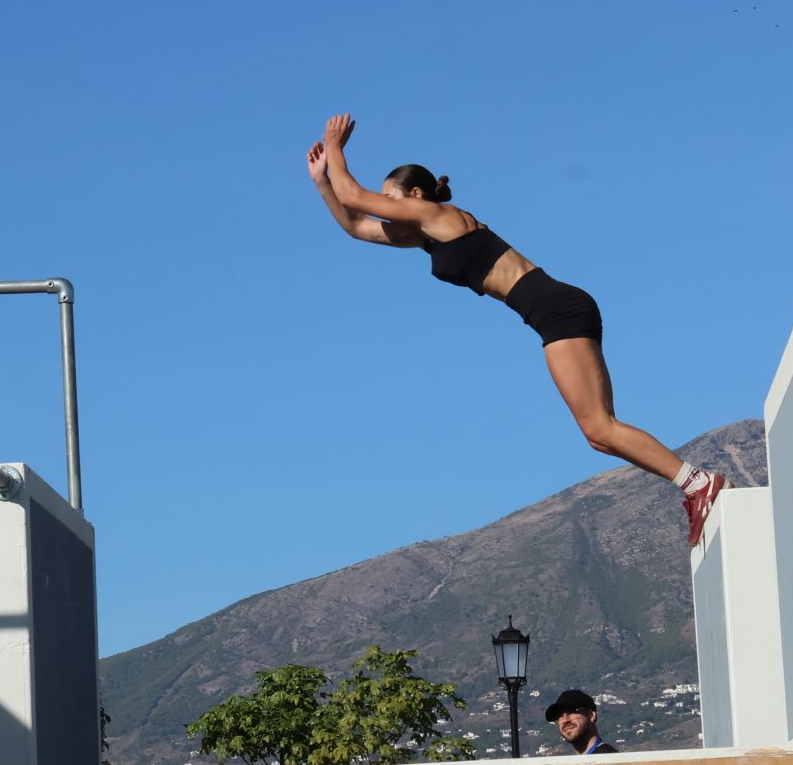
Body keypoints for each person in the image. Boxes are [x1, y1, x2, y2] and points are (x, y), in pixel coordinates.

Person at [306, 112, 728, 546]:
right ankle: (696, 484)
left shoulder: (437, 215)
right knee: (599, 436)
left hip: (556, 308)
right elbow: (356, 226)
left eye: (390, 201)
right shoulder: (425, 236)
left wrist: (335, 146)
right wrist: (323, 180)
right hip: (550, 312)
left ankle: (699, 484)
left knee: (600, 428)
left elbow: (355, 196)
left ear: (414, 196)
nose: (388, 210)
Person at [544, 689, 618, 756]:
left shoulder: (608, 760)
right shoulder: (581, 764)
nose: (565, 720)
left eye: (571, 711)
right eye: (559, 715)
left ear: (591, 716)